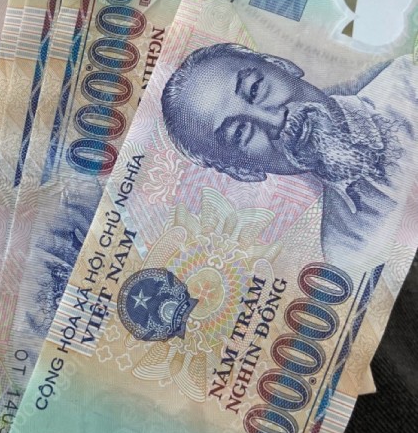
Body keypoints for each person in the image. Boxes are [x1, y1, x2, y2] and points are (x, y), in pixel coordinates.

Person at [161, 43, 418, 267]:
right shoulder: (350, 248)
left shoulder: (410, 78)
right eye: (240, 133)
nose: (276, 120)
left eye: (255, 89)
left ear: (281, 65)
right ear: (244, 171)